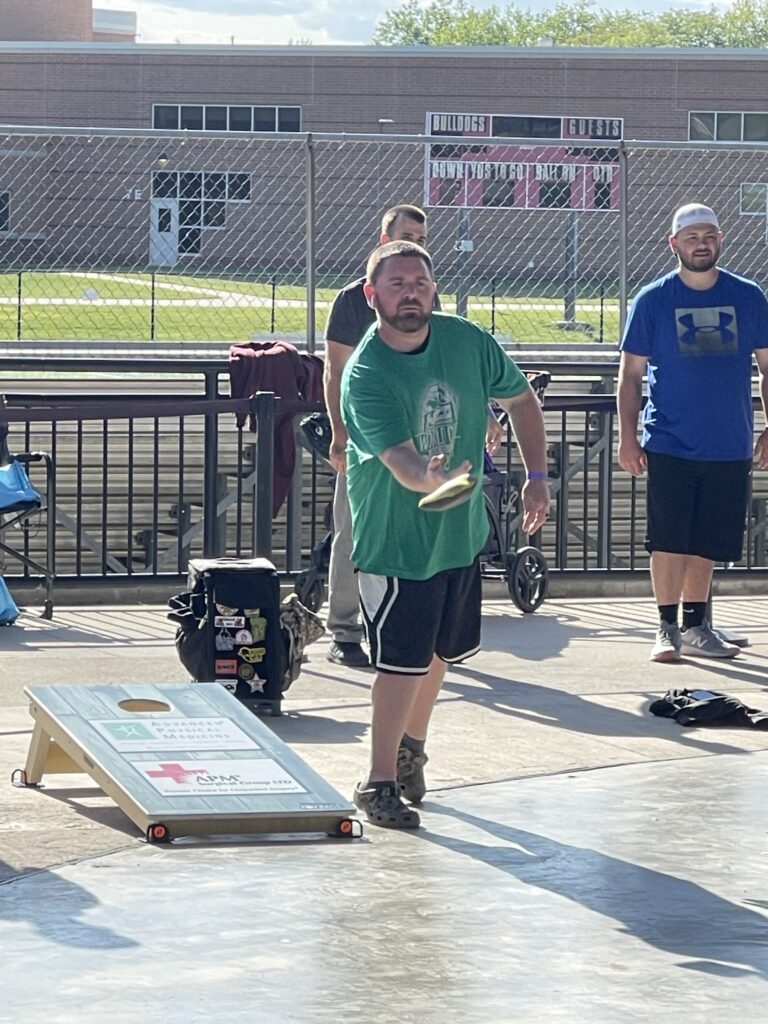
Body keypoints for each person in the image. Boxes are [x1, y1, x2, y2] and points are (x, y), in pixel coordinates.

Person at [341, 240, 550, 828]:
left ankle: (410, 751)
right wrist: (429, 476)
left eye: (421, 282)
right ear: (372, 295)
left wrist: (537, 476)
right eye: (397, 283)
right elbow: (405, 468)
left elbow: (523, 402)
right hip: (398, 540)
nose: (411, 292)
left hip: (459, 534)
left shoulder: (466, 340)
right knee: (400, 663)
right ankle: (377, 781)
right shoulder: (367, 372)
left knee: (437, 653)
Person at [323, 203, 501, 667]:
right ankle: (344, 629)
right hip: (372, 442)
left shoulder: (427, 298)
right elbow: (335, 370)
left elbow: (455, 368)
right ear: (385, 239)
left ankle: (429, 636)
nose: (417, 246)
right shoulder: (352, 301)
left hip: (430, 438)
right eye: (408, 237)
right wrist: (340, 433)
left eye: (422, 240)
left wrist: (485, 416)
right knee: (352, 531)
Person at [617, 202, 768, 663]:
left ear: (720, 240)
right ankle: (665, 628)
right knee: (669, 537)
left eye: (709, 236)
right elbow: (629, 375)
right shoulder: (653, 299)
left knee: (709, 539)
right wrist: (627, 436)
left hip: (730, 442)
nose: (701, 245)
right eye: (691, 237)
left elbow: (766, 368)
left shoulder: (748, 296)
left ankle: (697, 625)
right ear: (674, 244)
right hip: (669, 440)